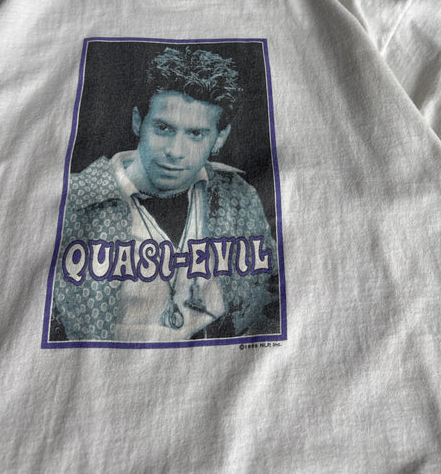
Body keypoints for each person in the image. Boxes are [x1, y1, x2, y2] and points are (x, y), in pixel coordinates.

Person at [50, 46, 279, 343]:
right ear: (138, 121)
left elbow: (272, 289)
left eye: (195, 134)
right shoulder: (74, 199)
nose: (175, 151)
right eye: (163, 128)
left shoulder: (237, 195)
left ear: (219, 138)